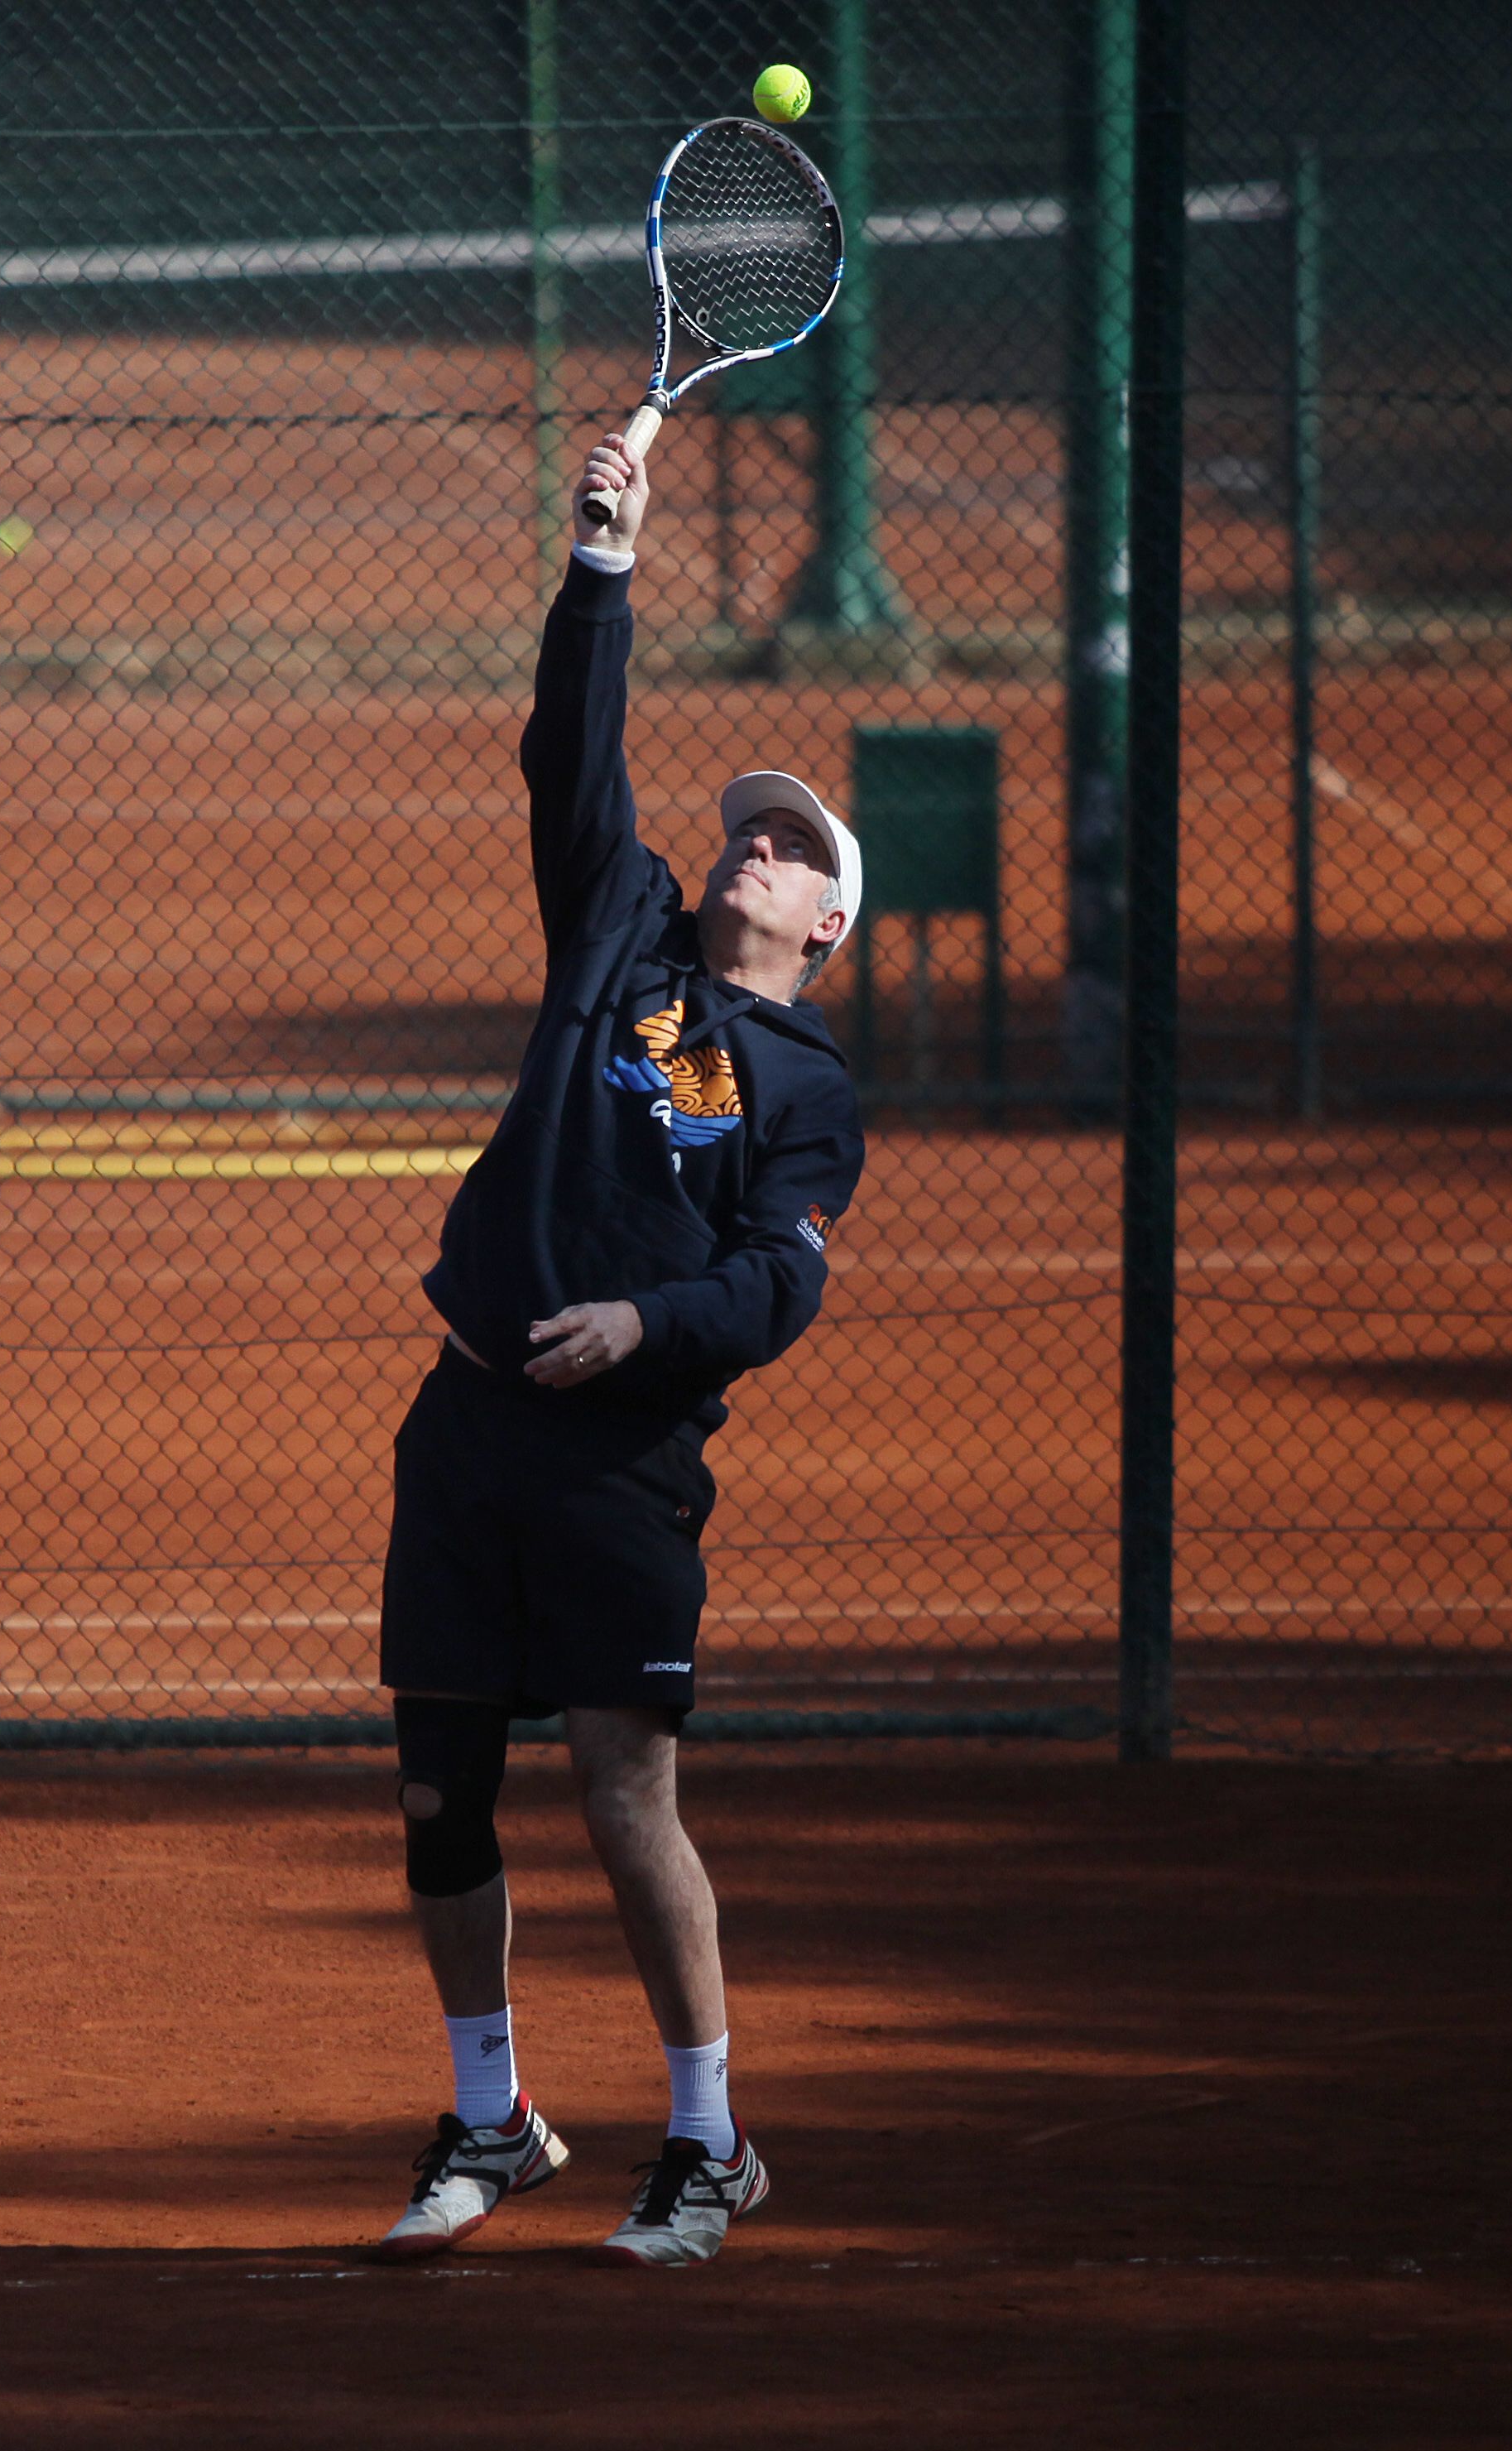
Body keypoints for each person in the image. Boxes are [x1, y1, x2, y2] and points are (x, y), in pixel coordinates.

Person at [371, 430, 866, 2271]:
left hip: (617, 1458)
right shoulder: (620, 931)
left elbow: (772, 1290)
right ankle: (489, 2117)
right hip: (470, 1423)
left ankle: (706, 2137)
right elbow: (563, 762)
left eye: (794, 847)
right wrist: (602, 566)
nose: (757, 842)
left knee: (618, 1782)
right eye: (749, 821)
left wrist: (643, 1323)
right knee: (437, 1786)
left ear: (826, 923)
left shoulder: (807, 1091)